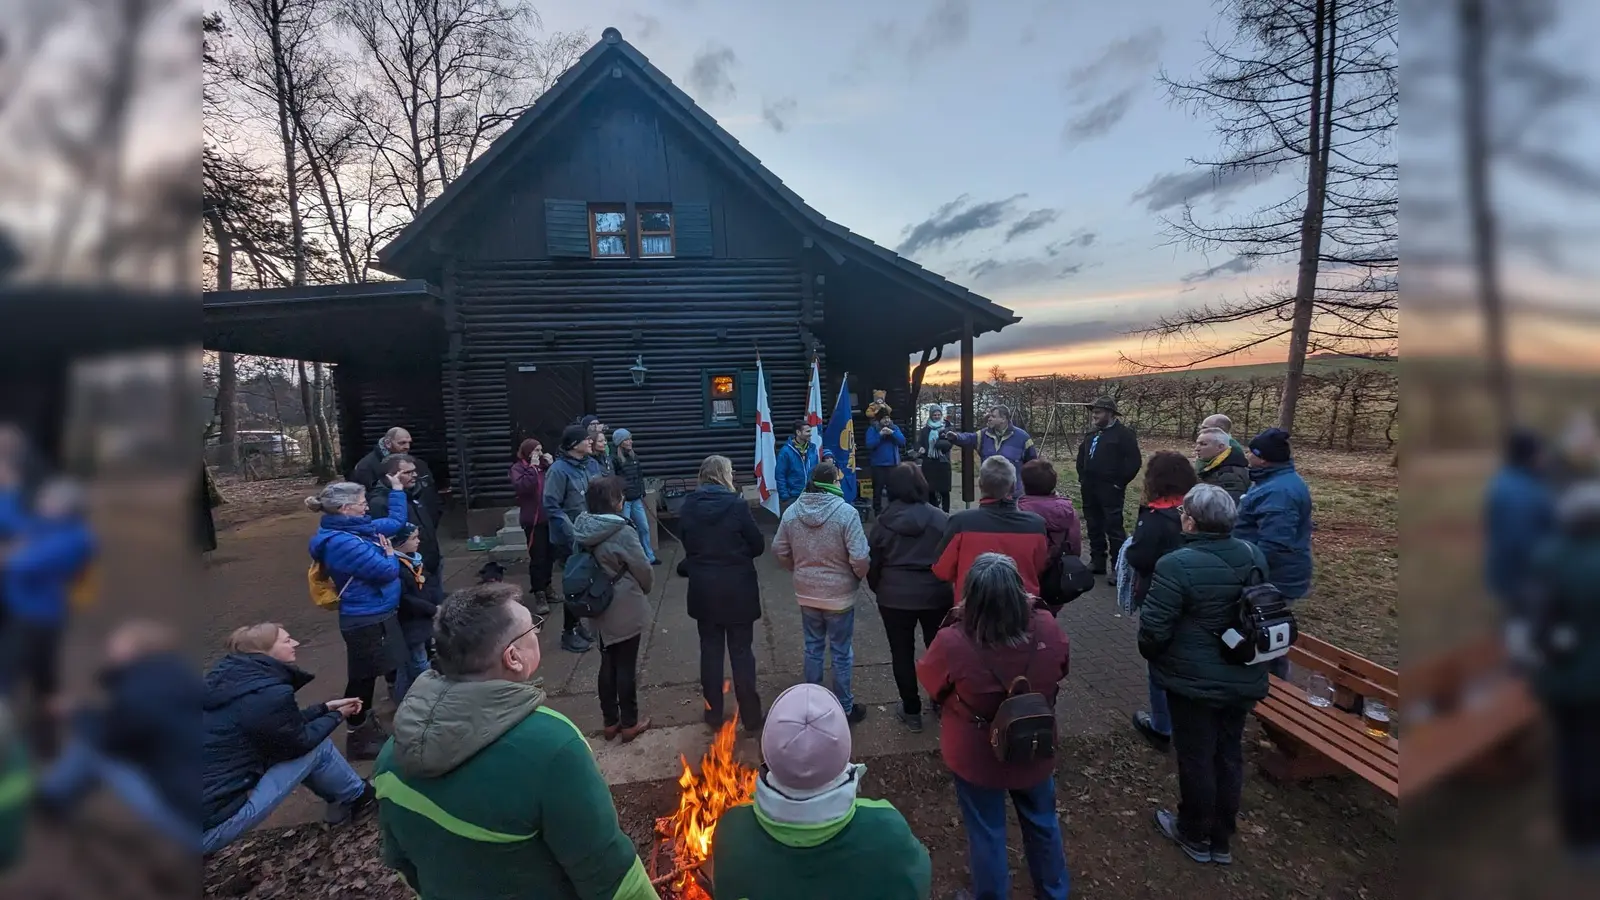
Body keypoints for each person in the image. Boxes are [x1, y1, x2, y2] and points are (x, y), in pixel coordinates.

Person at [375, 583, 658, 900]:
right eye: (533, 629)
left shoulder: (391, 756)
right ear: (513, 657)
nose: (538, 633)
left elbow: (402, 863)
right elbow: (613, 880)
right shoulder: (551, 747)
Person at [917, 553, 1072, 900]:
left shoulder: (953, 641)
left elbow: (931, 681)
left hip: (976, 755)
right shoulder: (1047, 625)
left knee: (986, 831)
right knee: (1043, 822)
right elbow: (1062, 668)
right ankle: (1054, 892)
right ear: (1019, 590)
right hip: (1034, 744)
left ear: (971, 594)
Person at [1138, 484, 1270, 866]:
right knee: (1229, 753)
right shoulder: (1253, 554)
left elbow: (1154, 631)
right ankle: (1221, 837)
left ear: (1192, 522)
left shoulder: (1176, 564)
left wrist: (1157, 656)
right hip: (1242, 671)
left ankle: (1194, 832)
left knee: (1196, 755)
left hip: (1193, 682)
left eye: (1183, 514)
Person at [710, 683, 933, 900]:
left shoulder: (733, 832)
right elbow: (918, 881)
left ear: (766, 753)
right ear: (844, 750)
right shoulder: (887, 831)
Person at [202, 624, 375, 854]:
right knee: (316, 748)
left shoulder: (230, 682)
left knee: (294, 746)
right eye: (286, 641)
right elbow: (299, 742)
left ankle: (341, 800)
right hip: (208, 830)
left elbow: (278, 726)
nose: (295, 643)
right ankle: (360, 797)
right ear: (265, 652)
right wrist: (338, 715)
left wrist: (323, 708)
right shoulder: (270, 694)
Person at [39, 621, 200, 848]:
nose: (108, 649)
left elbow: (109, 735)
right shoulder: (180, 678)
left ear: (137, 649)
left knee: (91, 748)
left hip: (193, 823)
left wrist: (74, 713)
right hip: (206, 798)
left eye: (116, 643)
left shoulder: (139, 692)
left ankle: (48, 802)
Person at [305, 479, 408, 759]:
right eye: (361, 502)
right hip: (364, 617)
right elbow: (386, 571)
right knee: (362, 677)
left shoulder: (358, 529)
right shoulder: (341, 543)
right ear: (344, 508)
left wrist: (397, 490)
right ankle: (357, 732)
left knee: (371, 673)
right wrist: (390, 555)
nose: (366, 505)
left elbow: (396, 522)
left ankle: (365, 724)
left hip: (375, 612)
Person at [1525, 481, 1600, 862]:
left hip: (1563, 678)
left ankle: (1579, 833)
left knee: (1573, 751)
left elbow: (1538, 627)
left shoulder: (1551, 558)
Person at [0, 478, 95, 749]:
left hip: (37, 621)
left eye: (48, 500)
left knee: (11, 677)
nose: (41, 503)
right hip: (26, 616)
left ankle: (39, 741)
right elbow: (13, 524)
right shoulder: (46, 526)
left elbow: (21, 564)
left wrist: (13, 551)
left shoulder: (75, 538)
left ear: (66, 507)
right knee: (43, 679)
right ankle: (46, 741)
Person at [775, 461, 871, 725]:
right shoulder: (846, 513)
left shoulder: (792, 512)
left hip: (807, 593)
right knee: (841, 651)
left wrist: (797, 569)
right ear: (833, 482)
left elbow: (779, 550)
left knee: (813, 647)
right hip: (839, 595)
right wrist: (856, 575)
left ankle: (811, 705)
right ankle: (845, 708)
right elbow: (860, 556)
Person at [677, 455, 765, 731]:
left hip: (704, 590)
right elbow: (757, 544)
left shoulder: (689, 506)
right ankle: (750, 716)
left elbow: (688, 542)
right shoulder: (737, 505)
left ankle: (713, 713)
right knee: (741, 653)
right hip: (737, 589)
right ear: (724, 475)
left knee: (710, 652)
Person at [1123, 451, 1201, 751]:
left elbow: (1140, 557)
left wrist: (1130, 549)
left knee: (1160, 662)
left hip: (1160, 596)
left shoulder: (1155, 517)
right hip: (1197, 596)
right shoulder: (1196, 509)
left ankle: (1160, 726)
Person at [869, 462, 953, 733]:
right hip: (936, 595)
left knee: (901, 654)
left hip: (894, 597)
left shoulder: (882, 522)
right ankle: (941, 700)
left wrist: (880, 588)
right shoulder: (941, 519)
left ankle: (912, 711)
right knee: (938, 651)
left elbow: (874, 563)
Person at [573, 476, 654, 742]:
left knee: (607, 662)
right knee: (626, 666)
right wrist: (645, 588)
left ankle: (610, 722)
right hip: (623, 604)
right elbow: (642, 568)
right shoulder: (622, 531)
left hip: (596, 604)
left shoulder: (583, 527)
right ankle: (630, 723)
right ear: (614, 502)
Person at [1232, 427, 1314, 678]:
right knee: (1269, 631)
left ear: (1263, 458)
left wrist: (1246, 571)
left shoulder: (1279, 492)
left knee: (1266, 632)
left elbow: (1274, 544)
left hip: (1273, 577)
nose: (1247, 457)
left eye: (1251, 453)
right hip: (1272, 573)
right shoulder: (1273, 481)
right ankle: (1269, 683)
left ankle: (1268, 687)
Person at [933, 457, 1049, 605]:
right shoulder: (1036, 525)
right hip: (1022, 608)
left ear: (980, 485)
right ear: (1013, 487)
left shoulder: (960, 523)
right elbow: (1040, 568)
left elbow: (941, 570)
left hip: (972, 609)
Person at [1485, 428, 1555, 612]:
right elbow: (1521, 544)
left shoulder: (1505, 479)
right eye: (1542, 452)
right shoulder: (1525, 494)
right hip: (1523, 577)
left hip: (1504, 573)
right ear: (1531, 456)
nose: (1546, 457)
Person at [1075, 396, 1142, 581]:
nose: (1094, 415)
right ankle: (1097, 561)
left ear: (1110, 413)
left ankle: (1117, 568)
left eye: (1098, 412)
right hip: (1089, 488)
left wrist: (1119, 483)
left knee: (1113, 527)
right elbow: (1082, 458)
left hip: (1111, 489)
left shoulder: (1124, 434)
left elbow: (1134, 462)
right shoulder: (1091, 434)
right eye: (1093, 412)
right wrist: (1082, 478)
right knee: (1093, 524)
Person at [544, 424, 599, 653]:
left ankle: (578, 624)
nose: (590, 442)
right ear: (574, 445)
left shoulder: (592, 464)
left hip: (592, 533)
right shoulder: (558, 470)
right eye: (586, 439)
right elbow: (551, 505)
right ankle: (568, 632)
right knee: (574, 585)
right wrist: (572, 532)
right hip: (569, 540)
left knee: (588, 582)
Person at [367, 454, 440, 579]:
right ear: (390, 476)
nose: (415, 475)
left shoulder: (414, 493)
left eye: (414, 471)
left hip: (429, 562)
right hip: (408, 569)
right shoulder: (379, 503)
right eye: (408, 472)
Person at [947, 405, 1039, 499]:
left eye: (993, 416)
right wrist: (955, 437)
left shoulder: (1022, 438)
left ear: (1003, 419)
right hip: (989, 494)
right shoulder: (983, 435)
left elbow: (1032, 463)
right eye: (989, 416)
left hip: (1014, 496)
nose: (989, 419)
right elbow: (968, 438)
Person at [352, 427, 440, 524]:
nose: (407, 447)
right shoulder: (366, 466)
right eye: (402, 443)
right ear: (388, 443)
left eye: (409, 442)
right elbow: (364, 497)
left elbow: (430, 493)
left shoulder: (416, 463)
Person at [392, 524, 440, 702]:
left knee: (406, 668)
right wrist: (432, 609)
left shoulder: (415, 560)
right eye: (413, 538)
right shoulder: (397, 567)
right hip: (410, 623)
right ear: (399, 543)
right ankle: (431, 699)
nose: (418, 541)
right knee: (419, 663)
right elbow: (404, 599)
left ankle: (402, 699)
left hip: (421, 620)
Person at [1016, 458, 1083, 581]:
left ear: (1024, 484)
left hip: (1027, 576)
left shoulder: (1019, 512)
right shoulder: (1069, 511)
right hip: (1058, 575)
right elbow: (1075, 546)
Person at [511, 438, 555, 615]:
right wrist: (532, 468)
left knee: (551, 555)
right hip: (533, 520)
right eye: (536, 450)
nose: (539, 453)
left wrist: (551, 466)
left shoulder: (545, 468)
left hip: (549, 518)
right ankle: (539, 592)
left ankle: (548, 586)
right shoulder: (518, 469)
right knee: (538, 557)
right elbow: (523, 487)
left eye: (541, 449)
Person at [611, 429, 660, 566]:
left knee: (644, 527)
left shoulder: (634, 457)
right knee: (626, 530)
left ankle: (649, 557)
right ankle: (629, 559)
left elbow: (639, 476)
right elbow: (614, 480)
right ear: (620, 442)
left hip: (637, 499)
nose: (630, 441)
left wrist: (641, 491)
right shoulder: (615, 459)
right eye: (627, 439)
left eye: (630, 439)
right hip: (625, 501)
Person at [866, 406, 906, 516]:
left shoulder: (894, 427)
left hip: (893, 465)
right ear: (879, 419)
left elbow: (902, 441)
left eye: (888, 418)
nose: (887, 420)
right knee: (877, 490)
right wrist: (880, 435)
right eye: (884, 418)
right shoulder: (873, 429)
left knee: (893, 489)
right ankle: (877, 511)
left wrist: (892, 433)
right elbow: (869, 444)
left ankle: (893, 511)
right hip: (878, 465)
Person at [915, 405, 955, 512]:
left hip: (943, 463)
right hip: (929, 463)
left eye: (938, 415)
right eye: (934, 415)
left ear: (941, 415)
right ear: (931, 416)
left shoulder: (947, 429)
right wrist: (920, 448)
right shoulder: (925, 430)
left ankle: (946, 513)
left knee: (944, 491)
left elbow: (949, 444)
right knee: (930, 490)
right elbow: (918, 444)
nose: (936, 417)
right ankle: (935, 512)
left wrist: (937, 443)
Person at [1194, 428, 1251, 502]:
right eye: (1197, 444)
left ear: (1220, 447)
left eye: (1203, 444)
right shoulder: (1213, 467)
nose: (1196, 448)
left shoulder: (1229, 475)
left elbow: (1230, 508)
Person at [776, 419, 821, 511]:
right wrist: (785, 497)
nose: (810, 434)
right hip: (793, 497)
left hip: (810, 495)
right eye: (807, 431)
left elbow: (816, 471)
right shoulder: (786, 451)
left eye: (810, 431)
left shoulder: (812, 448)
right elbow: (780, 475)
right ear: (798, 432)